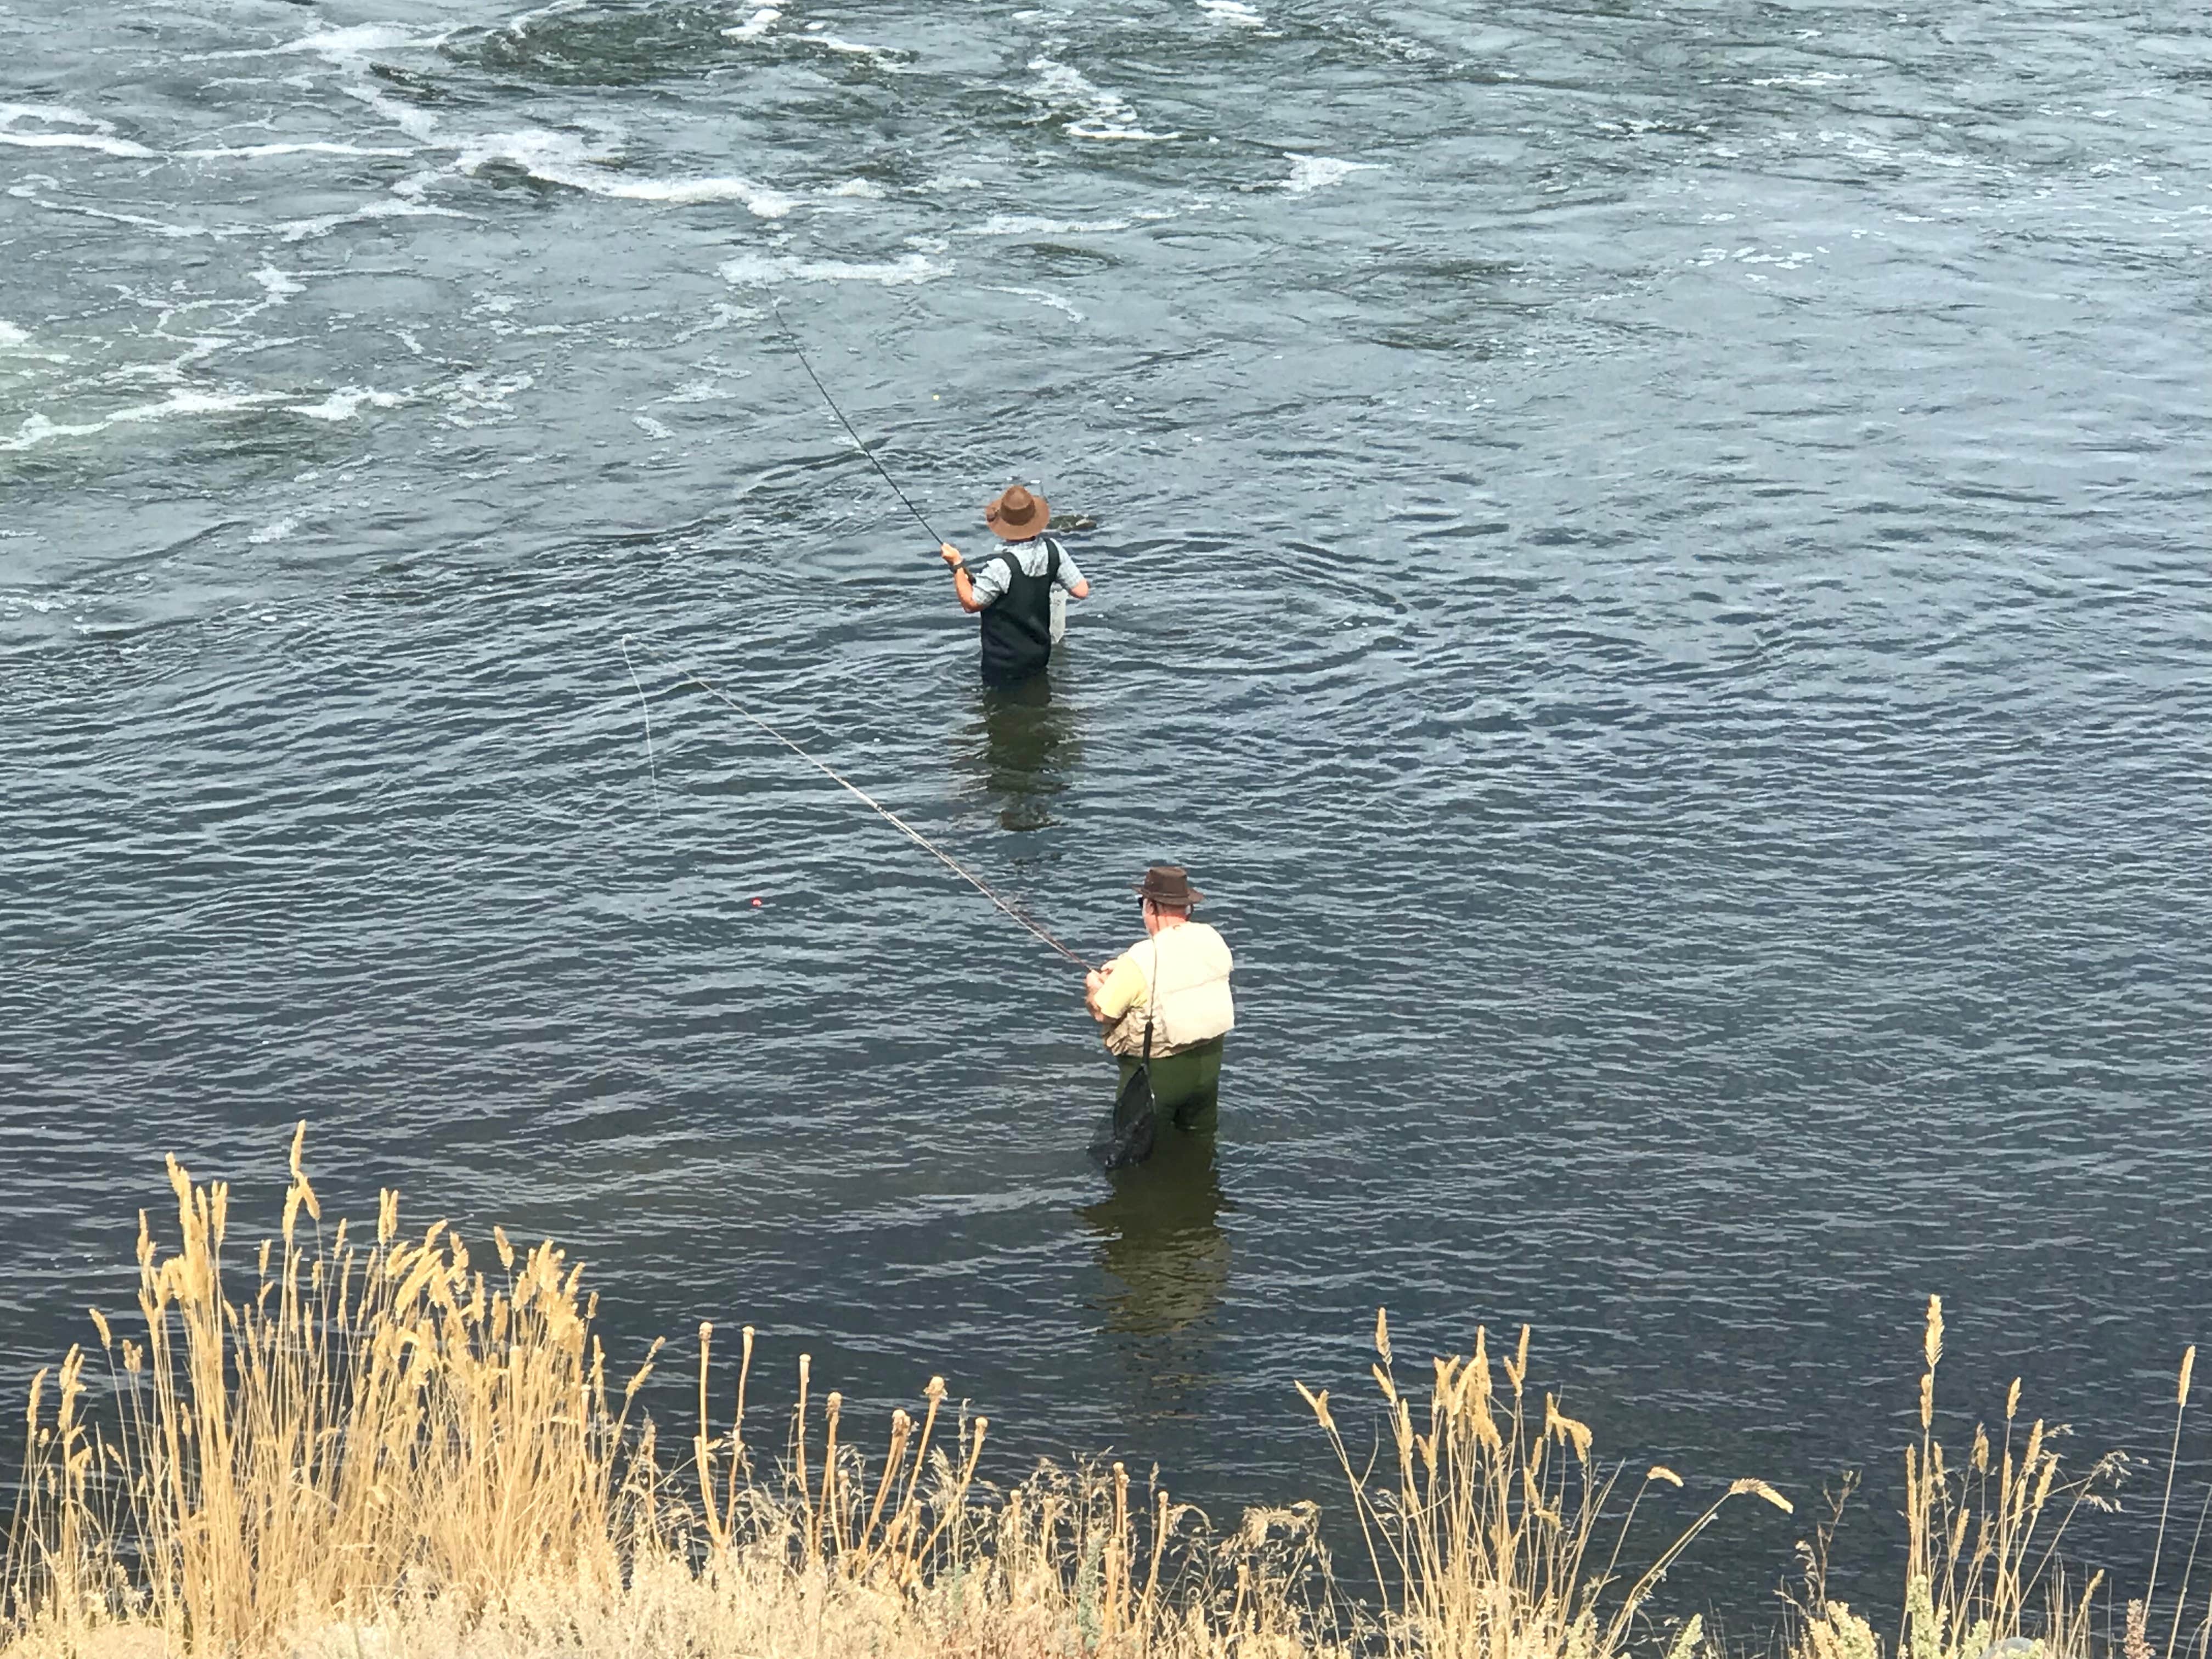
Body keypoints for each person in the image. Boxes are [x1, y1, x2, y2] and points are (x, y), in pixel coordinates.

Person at [1085, 865, 1235, 1133]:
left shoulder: (1141, 958)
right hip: (1208, 1069)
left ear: (1151, 907)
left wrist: (1094, 986)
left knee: (1132, 1149)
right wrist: (1123, 967)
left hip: (1157, 1077)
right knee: (1199, 1143)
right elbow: (1181, 968)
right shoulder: (1212, 939)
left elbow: (1103, 1012)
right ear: (1187, 907)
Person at [939, 483, 1090, 686]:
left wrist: (957, 565)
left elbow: (970, 603)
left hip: (1003, 664)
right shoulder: (1054, 550)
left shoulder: (1000, 566)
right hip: (1039, 655)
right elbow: (1081, 590)